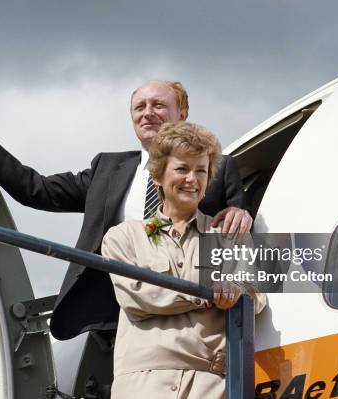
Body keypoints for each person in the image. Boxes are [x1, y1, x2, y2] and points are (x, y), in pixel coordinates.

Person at [0, 80, 253, 340]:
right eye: (139, 107)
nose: (148, 113)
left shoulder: (217, 167)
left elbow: (238, 233)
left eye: (158, 105)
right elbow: (36, 190)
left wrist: (242, 215)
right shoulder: (107, 168)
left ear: (182, 113)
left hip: (188, 315)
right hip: (114, 314)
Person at [101, 121, 265, 398]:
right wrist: (206, 291)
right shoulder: (123, 237)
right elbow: (137, 296)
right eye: (182, 169)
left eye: (201, 170)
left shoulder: (228, 236)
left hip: (211, 385)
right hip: (142, 385)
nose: (192, 179)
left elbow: (257, 294)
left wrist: (237, 290)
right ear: (158, 177)